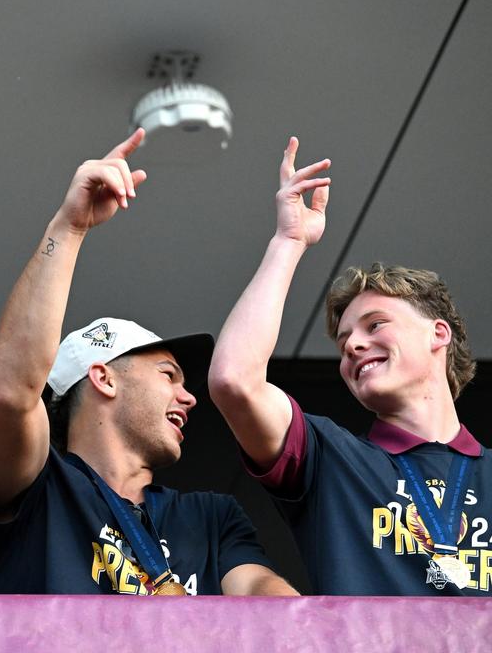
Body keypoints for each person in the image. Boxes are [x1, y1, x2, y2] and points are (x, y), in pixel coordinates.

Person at [0, 134, 295, 595]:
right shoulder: (39, 488)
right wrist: (69, 228)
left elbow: (264, 596)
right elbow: (12, 392)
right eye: (168, 375)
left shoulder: (209, 517)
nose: (189, 397)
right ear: (103, 378)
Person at [210, 138, 490, 595]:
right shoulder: (331, 458)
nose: (355, 346)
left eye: (375, 324)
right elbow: (234, 380)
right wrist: (289, 241)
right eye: (343, 344)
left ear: (438, 334)